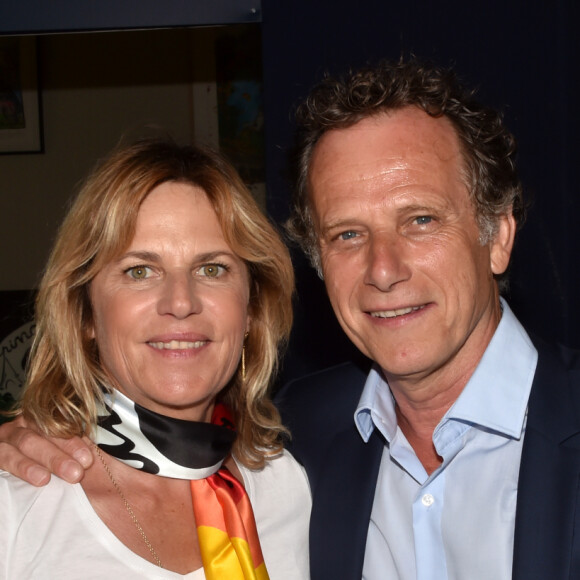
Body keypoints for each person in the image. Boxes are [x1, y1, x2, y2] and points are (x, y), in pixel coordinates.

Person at [2, 58, 580, 579]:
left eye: (420, 220)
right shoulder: (310, 438)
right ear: (83, 313)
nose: (383, 268)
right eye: (348, 234)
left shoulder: (279, 472)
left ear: (498, 235)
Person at [0, 138, 311, 579]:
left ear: (251, 309)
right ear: (85, 313)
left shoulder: (286, 486)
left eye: (212, 269)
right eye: (139, 271)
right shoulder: (17, 507)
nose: (181, 302)